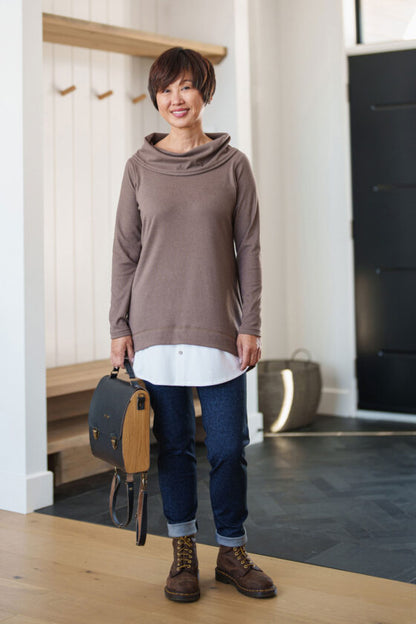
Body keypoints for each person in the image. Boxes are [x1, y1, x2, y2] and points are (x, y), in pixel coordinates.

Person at [110, 47, 276, 603]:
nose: (175, 99)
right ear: (155, 97)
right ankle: (182, 553)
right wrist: (119, 325)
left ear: (205, 90)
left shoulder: (233, 165)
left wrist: (250, 321)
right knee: (174, 446)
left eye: (185, 87)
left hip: (220, 328)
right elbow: (125, 254)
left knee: (229, 447)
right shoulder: (139, 167)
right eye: (165, 89)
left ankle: (231, 550)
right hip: (153, 328)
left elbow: (249, 249)